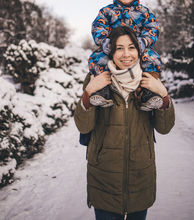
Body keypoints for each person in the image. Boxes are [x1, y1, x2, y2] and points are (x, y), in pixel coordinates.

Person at [74, 26, 175, 220]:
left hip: (140, 176)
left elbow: (164, 128)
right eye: (119, 48)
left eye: (131, 47)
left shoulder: (150, 80)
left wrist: (163, 95)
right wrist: (89, 93)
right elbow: (83, 126)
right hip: (104, 178)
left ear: (140, 50)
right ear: (111, 51)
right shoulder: (96, 77)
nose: (126, 54)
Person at [88, 0, 162, 111]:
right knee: (97, 59)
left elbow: (153, 28)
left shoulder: (144, 12)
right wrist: (105, 42)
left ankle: (149, 93)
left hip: (138, 49)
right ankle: (103, 91)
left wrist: (144, 42)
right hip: (113, 49)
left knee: (153, 59)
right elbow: (98, 27)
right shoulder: (107, 11)